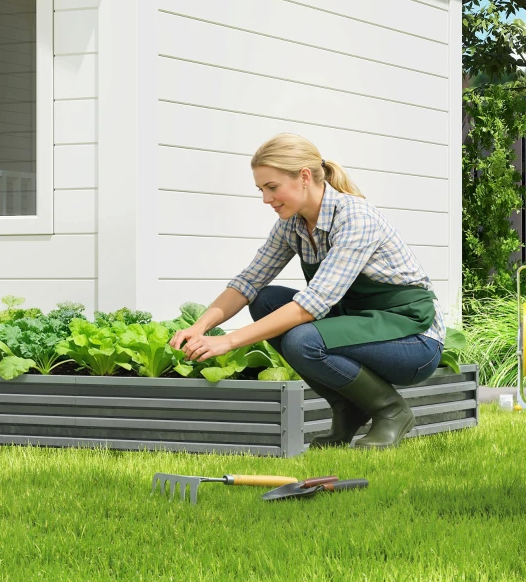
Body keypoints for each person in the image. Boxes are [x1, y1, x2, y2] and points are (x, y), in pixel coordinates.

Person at [169, 133, 445, 450]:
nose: (266, 199)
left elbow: (313, 305)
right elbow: (249, 282)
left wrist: (229, 340)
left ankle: (391, 411)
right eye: (261, 190)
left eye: (272, 187)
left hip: (414, 339)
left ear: (303, 177)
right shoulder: (293, 225)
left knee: (303, 339)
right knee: (266, 301)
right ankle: (348, 408)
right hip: (361, 326)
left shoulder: (355, 218)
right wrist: (199, 327)